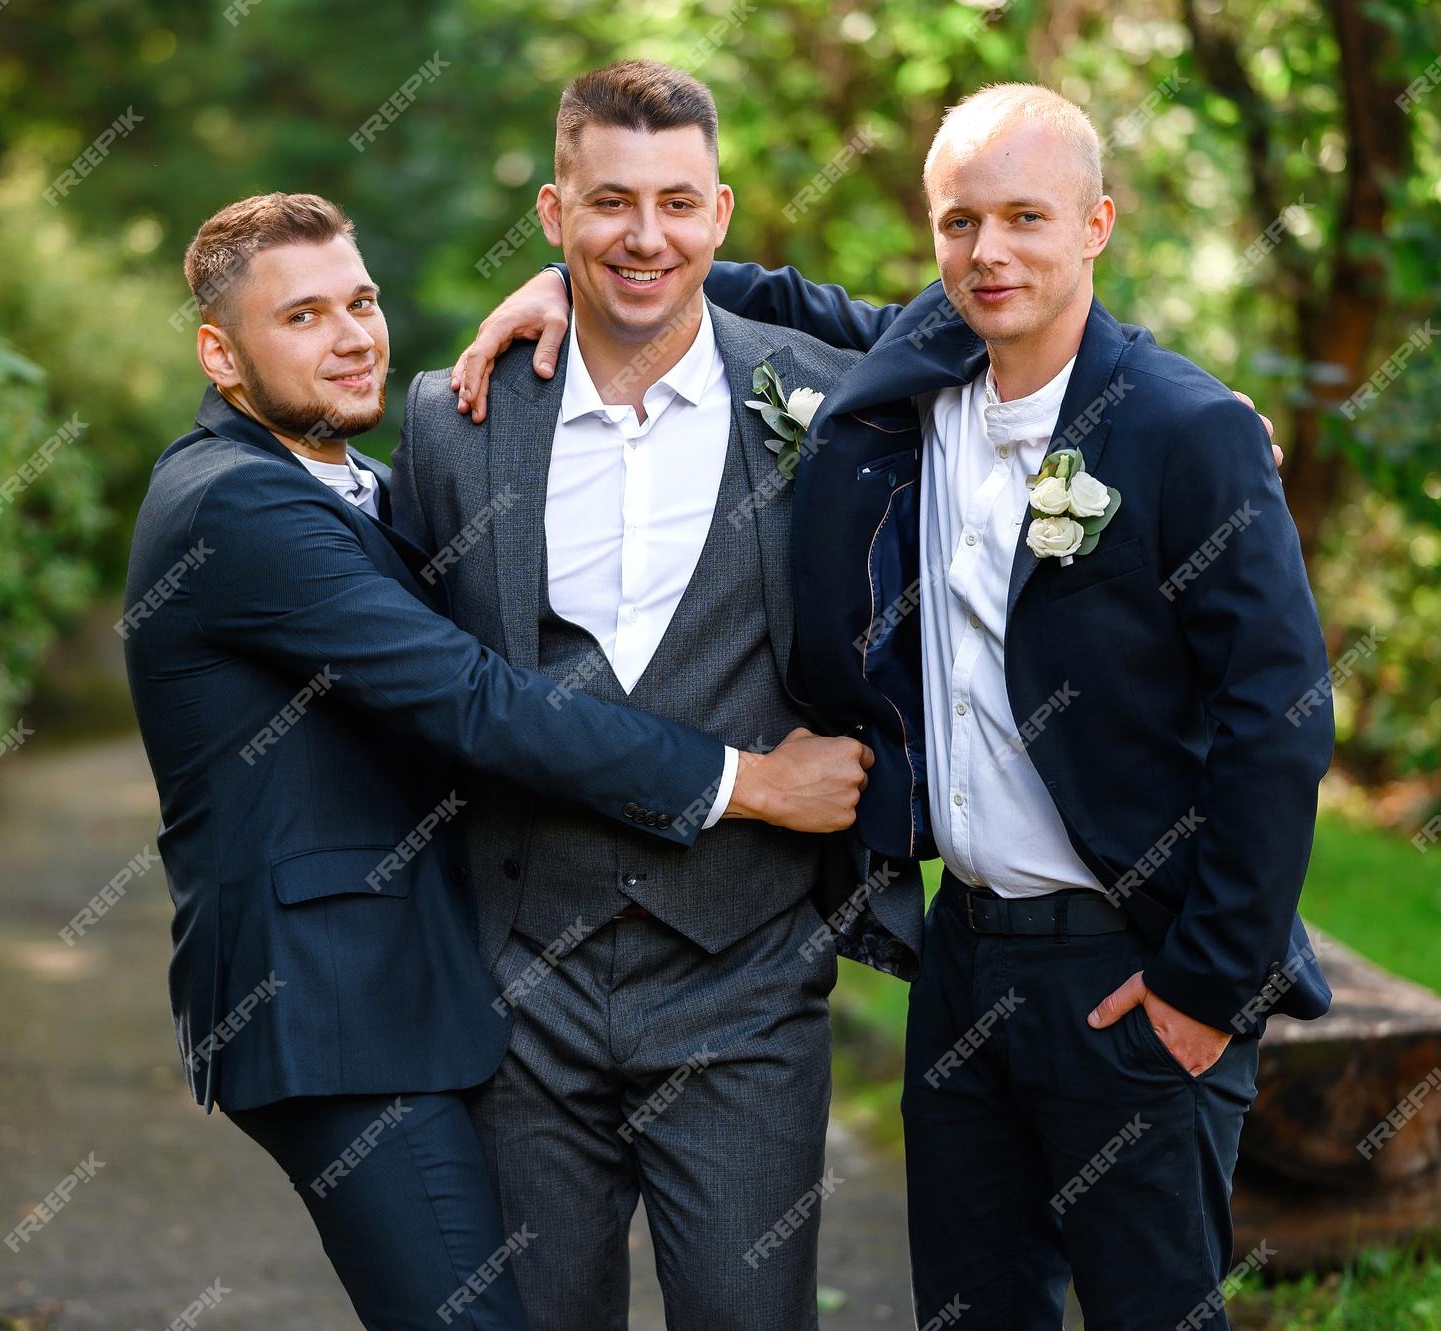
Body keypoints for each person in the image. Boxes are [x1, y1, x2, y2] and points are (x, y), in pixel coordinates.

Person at [453, 81, 1332, 1331]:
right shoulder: (919, 375)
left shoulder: (1185, 429)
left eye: (1025, 217)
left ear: (1096, 225)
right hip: (961, 956)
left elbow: (1279, 718)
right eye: (958, 222)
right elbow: (776, 299)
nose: (989, 253)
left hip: (1130, 957)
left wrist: (1204, 986)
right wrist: (576, 279)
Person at [120, 189, 871, 1331]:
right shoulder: (235, 507)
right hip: (337, 1010)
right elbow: (475, 700)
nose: (354, 335)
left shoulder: (337, 481)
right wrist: (746, 780)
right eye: (303, 317)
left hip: (405, 995)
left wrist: (594, 283)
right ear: (219, 355)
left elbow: (908, 328)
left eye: (360, 301)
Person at [390, 62, 921, 1331]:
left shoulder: (824, 390)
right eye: (610, 201)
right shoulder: (452, 422)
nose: (645, 236)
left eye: (677, 203)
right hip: (519, 988)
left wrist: (1187, 413)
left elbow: (1000, 325)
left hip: (744, 983)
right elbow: (412, 693)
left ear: (722, 213)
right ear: (552, 209)